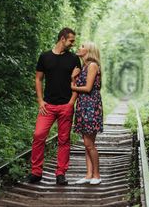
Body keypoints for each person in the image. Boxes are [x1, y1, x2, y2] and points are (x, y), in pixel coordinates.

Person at [29, 27, 81, 185]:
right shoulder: (45, 56)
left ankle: (60, 173)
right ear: (63, 38)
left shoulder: (73, 59)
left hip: (66, 105)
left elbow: (77, 82)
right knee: (38, 135)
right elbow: (38, 79)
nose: (73, 43)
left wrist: (72, 102)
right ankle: (36, 172)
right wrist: (40, 100)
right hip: (48, 106)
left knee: (64, 140)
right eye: (71, 40)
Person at [71, 42, 103, 185]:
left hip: (91, 105)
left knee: (89, 143)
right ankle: (88, 174)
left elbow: (88, 88)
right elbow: (79, 86)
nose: (79, 47)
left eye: (82, 46)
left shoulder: (92, 65)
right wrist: (73, 78)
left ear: (89, 50)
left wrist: (72, 85)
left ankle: (97, 175)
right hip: (84, 105)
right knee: (87, 143)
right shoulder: (84, 66)